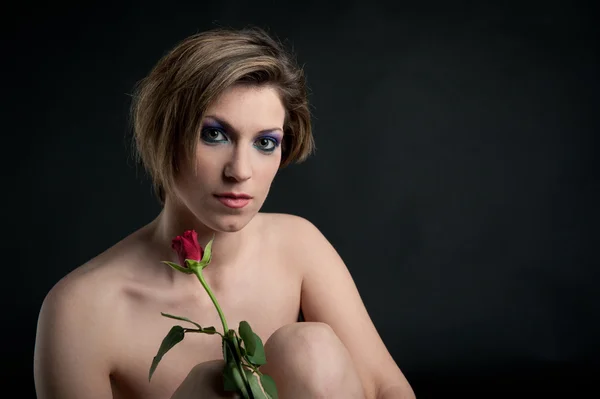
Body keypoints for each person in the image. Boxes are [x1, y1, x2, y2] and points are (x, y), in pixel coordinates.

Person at [33, 26, 416, 399]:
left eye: (266, 142)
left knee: (308, 348)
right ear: (164, 135)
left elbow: (385, 388)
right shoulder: (80, 309)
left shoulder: (297, 245)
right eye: (214, 134)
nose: (240, 171)